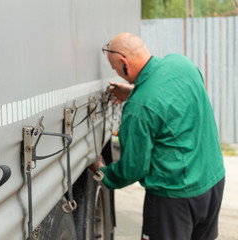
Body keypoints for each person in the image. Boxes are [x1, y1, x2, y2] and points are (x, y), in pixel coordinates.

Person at [90, 32, 225, 240]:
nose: (117, 73)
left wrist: (103, 173)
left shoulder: (139, 108)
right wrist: (135, 92)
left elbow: (133, 168)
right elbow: (173, 96)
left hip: (175, 199)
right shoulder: (181, 63)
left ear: (124, 62)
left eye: (115, 68)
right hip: (212, 183)